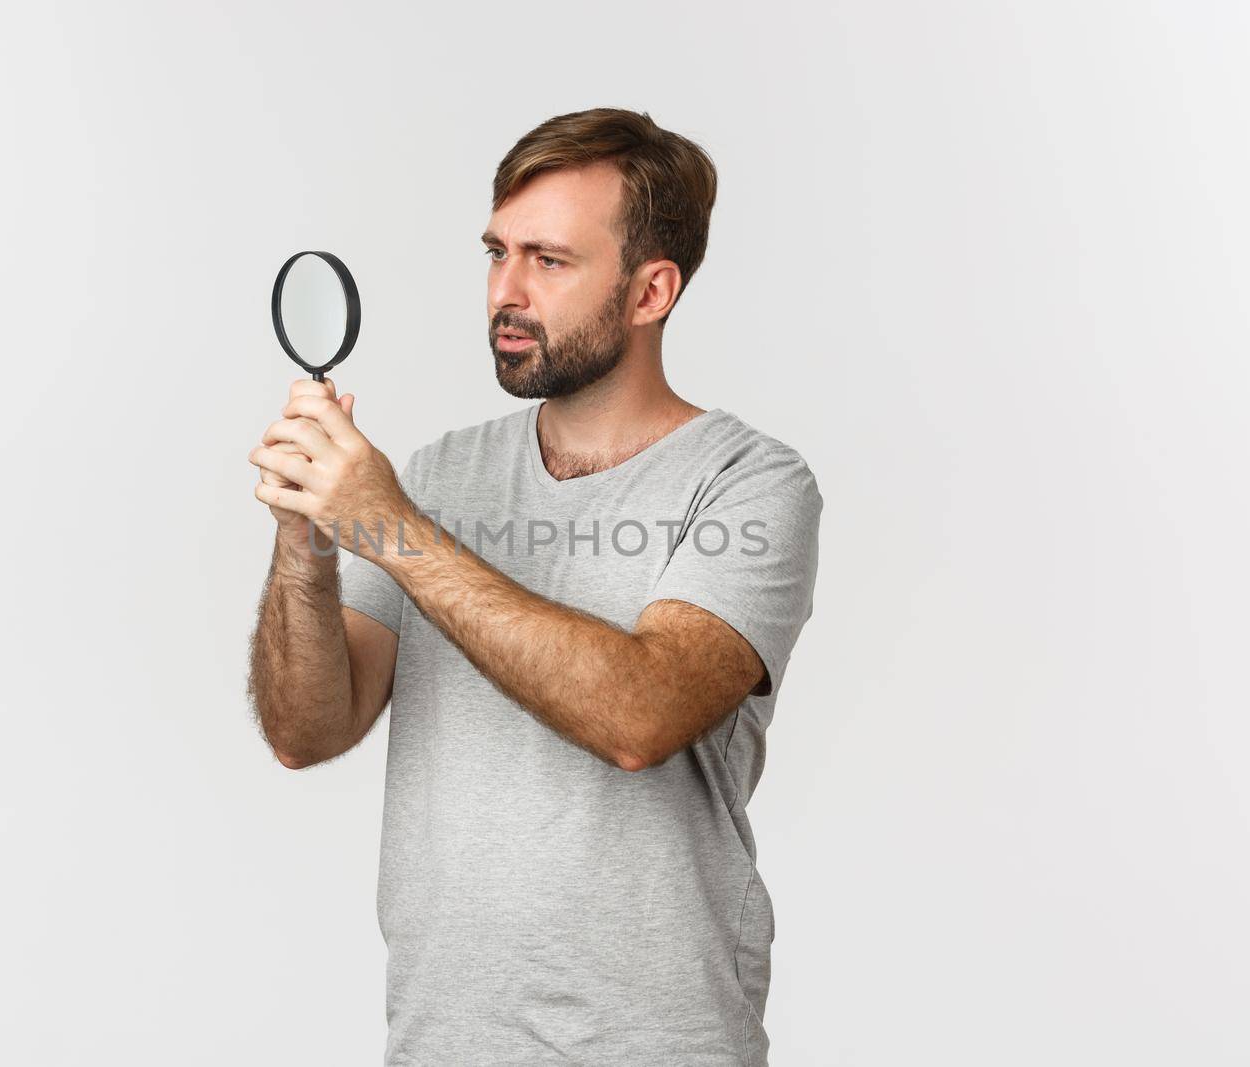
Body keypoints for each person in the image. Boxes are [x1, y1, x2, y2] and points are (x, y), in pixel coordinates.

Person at [246, 106, 822, 1067]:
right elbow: (307, 731)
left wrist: (389, 527)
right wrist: (306, 540)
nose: (505, 291)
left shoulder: (751, 481)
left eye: (550, 261)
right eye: (496, 252)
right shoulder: (436, 475)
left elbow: (640, 713)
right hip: (441, 1043)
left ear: (651, 292)